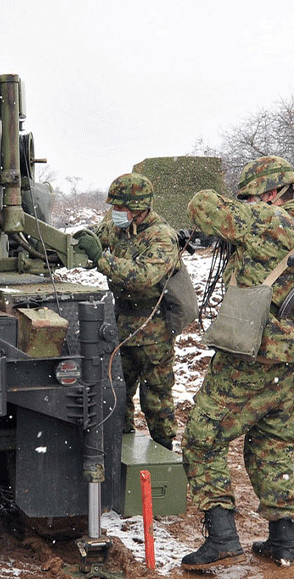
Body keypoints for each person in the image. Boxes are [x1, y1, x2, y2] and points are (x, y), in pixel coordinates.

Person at [180, 155, 294, 570]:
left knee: (201, 438)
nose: (248, 203)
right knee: (271, 445)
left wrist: (212, 189)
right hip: (285, 357)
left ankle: (223, 537)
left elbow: (201, 206)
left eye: (251, 196)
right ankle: (283, 541)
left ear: (271, 192)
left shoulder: (269, 220)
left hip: (251, 352)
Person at [74, 172, 180, 450]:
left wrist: (101, 259)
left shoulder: (161, 237)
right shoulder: (117, 227)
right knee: (117, 395)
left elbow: (144, 275)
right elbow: (94, 238)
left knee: (156, 400)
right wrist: (75, 243)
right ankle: (119, 453)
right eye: (114, 206)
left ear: (139, 207)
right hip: (120, 326)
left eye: (120, 207)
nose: (115, 212)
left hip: (153, 331)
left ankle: (164, 456)